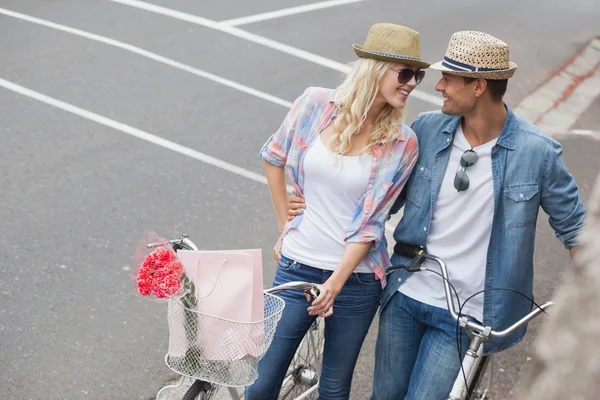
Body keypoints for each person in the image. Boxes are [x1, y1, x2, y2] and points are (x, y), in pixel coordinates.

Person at [287, 31, 586, 399]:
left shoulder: (536, 152)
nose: (439, 86)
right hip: (407, 294)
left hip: (468, 314)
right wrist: (307, 199)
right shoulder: (426, 130)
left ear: (478, 86)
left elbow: (576, 229)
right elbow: (377, 203)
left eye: (449, 78)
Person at [244, 23, 427, 400]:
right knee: (260, 385)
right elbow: (273, 156)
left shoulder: (403, 143)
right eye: (405, 74)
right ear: (375, 69)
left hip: (356, 281)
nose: (412, 83)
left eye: (418, 76)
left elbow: (372, 223)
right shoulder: (315, 104)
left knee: (333, 390)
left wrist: (336, 283)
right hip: (297, 265)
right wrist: (285, 224)